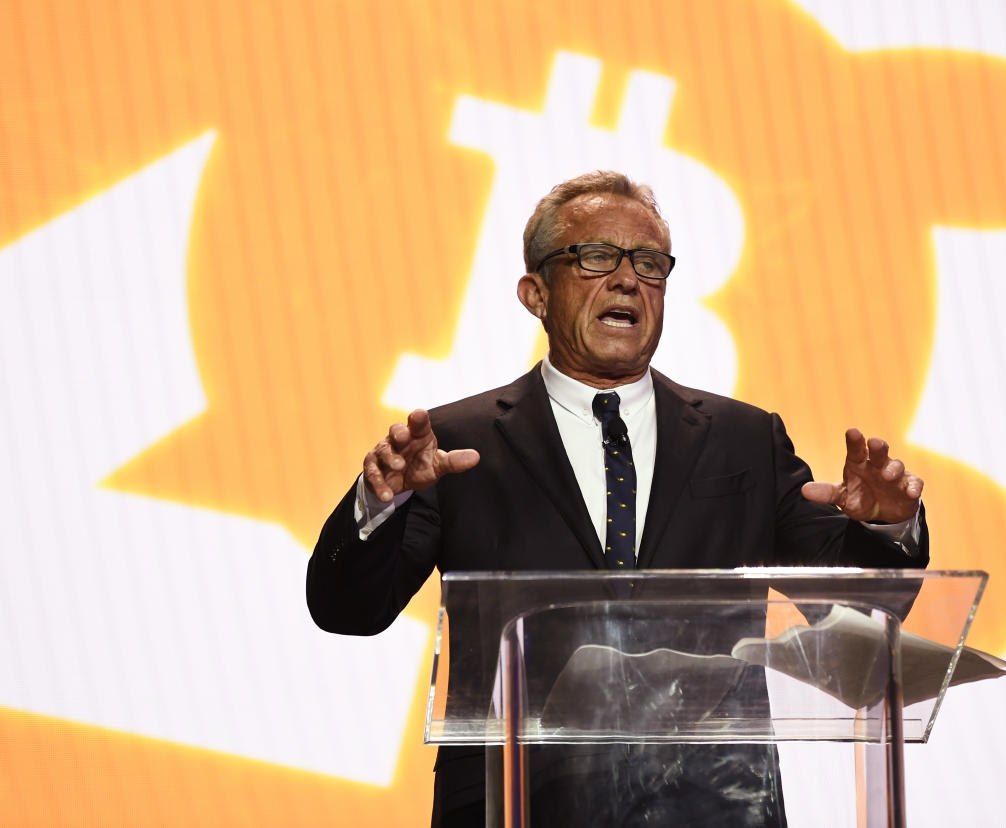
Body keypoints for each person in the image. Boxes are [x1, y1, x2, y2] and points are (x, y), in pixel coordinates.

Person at [307, 171, 928, 826]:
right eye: (597, 257)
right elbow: (349, 610)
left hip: (714, 805)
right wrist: (379, 504)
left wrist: (888, 530)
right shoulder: (458, 446)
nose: (629, 279)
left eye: (650, 263)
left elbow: (853, 613)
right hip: (517, 803)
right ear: (536, 293)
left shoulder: (744, 440)